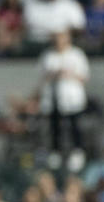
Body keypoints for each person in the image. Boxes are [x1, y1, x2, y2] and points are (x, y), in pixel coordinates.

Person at [38, 30, 89, 162]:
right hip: (54, 98)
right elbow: (41, 76)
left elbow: (84, 76)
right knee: (55, 128)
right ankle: (56, 152)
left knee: (74, 126)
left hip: (72, 98)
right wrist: (54, 74)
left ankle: (78, 152)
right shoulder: (48, 55)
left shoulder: (77, 55)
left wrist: (69, 74)